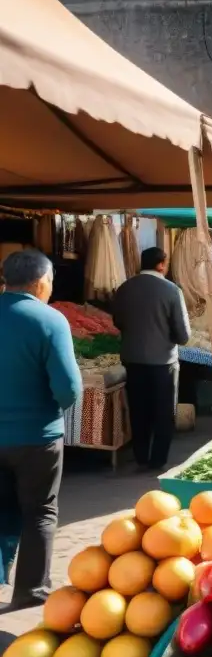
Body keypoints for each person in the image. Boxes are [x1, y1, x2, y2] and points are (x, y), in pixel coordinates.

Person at [0, 250, 82, 611]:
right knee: (39, 512)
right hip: (38, 438)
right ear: (41, 282)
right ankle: (30, 592)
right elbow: (68, 388)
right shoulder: (50, 320)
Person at [112, 247, 191, 472]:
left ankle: (141, 456)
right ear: (161, 265)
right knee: (163, 411)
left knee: (139, 409)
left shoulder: (124, 288)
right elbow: (183, 335)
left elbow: (118, 321)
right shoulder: (171, 290)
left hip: (132, 359)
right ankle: (158, 460)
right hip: (163, 361)